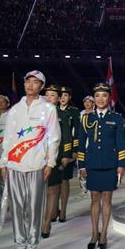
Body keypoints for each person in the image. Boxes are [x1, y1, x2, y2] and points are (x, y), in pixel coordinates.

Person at [0, 70, 60, 249]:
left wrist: (50, 162)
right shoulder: (15, 109)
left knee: (34, 206)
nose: (31, 85)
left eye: (35, 82)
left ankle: (32, 246)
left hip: (36, 164)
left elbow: (54, 138)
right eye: (28, 82)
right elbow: (8, 138)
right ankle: (19, 245)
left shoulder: (48, 109)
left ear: (41, 86)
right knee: (17, 206)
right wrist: (3, 161)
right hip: (15, 164)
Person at [77, 83, 125, 249]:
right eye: (97, 95)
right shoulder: (86, 118)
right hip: (92, 163)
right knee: (94, 199)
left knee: (107, 199)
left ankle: (104, 233)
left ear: (109, 98)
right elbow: (81, 144)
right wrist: (82, 165)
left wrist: (121, 165)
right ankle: (93, 233)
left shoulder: (116, 118)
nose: (100, 99)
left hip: (110, 164)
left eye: (104, 95)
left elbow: (120, 143)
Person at [40, 84, 73, 239]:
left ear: (58, 98)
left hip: (55, 156)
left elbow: (66, 136)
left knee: (53, 189)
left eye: (53, 95)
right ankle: (42, 217)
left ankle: (47, 223)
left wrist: (66, 154)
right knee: (40, 191)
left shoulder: (62, 114)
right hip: (38, 156)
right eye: (47, 94)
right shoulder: (37, 112)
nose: (49, 97)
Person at [55, 86, 81, 223]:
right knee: (53, 182)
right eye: (61, 95)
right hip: (53, 150)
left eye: (66, 95)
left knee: (64, 180)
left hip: (67, 149)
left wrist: (75, 150)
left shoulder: (74, 112)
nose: (63, 98)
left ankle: (63, 210)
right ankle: (54, 210)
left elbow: (76, 132)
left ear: (69, 97)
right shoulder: (52, 110)